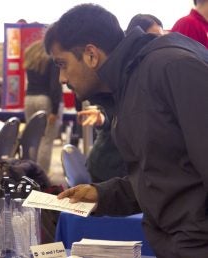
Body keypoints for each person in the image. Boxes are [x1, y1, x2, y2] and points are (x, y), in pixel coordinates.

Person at [44, 4, 208, 257]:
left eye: (63, 64)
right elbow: (164, 174)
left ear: (91, 54)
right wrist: (103, 194)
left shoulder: (171, 67)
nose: (61, 79)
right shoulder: (127, 87)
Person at [78, 14, 164, 183]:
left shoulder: (151, 73)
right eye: (151, 38)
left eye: (161, 38)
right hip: (109, 168)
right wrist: (102, 118)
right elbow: (111, 109)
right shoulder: (125, 74)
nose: (157, 44)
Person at [23, 40, 63, 174]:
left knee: (33, 139)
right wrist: (56, 109)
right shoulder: (51, 57)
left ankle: (31, 173)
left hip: (29, 99)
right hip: (45, 100)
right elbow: (55, 85)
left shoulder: (30, 55)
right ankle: (42, 175)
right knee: (46, 140)